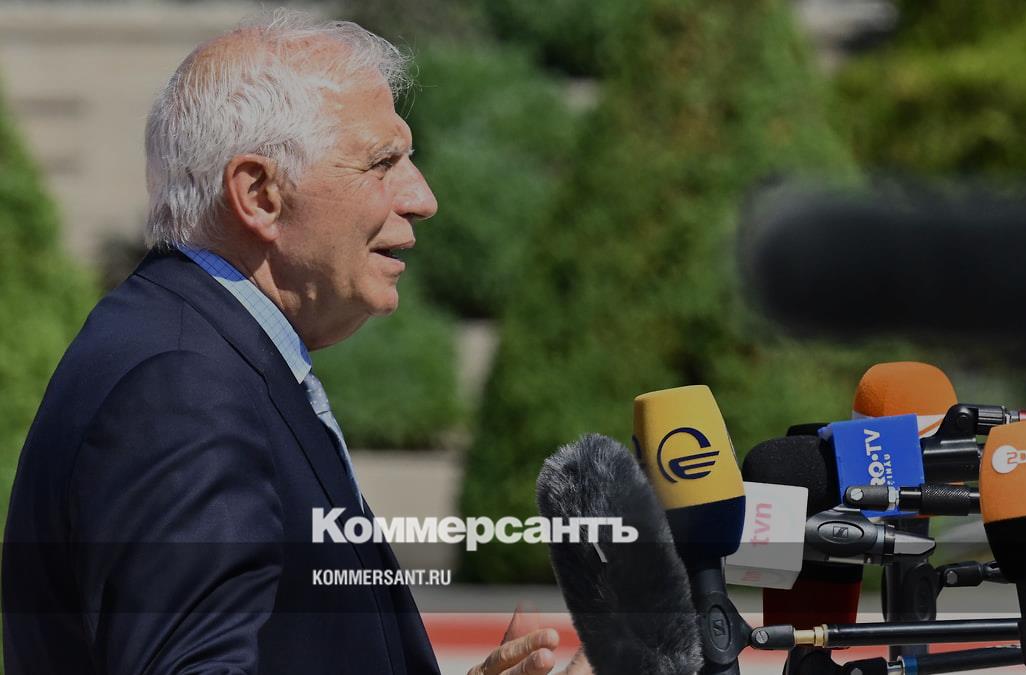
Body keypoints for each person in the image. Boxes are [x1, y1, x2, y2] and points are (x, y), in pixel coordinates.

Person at [2, 10, 588, 675]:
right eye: (382, 162)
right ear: (258, 195)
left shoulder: (195, 351)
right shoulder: (181, 387)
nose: (421, 197)